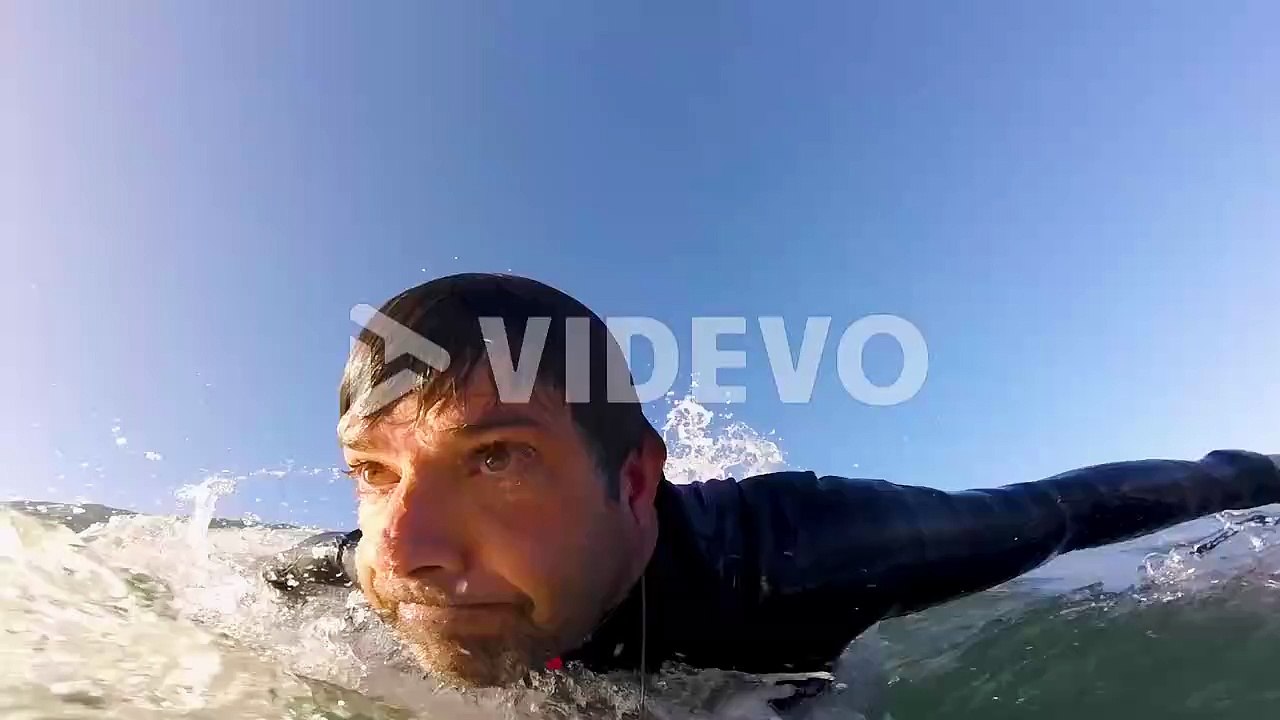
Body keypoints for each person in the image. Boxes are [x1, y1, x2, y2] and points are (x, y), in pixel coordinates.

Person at [263, 272, 1280, 700]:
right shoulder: (369, 563)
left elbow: (1069, 508)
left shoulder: (812, 549)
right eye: (374, 474)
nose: (405, 550)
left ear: (632, 482)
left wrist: (1256, 478)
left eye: (494, 459)